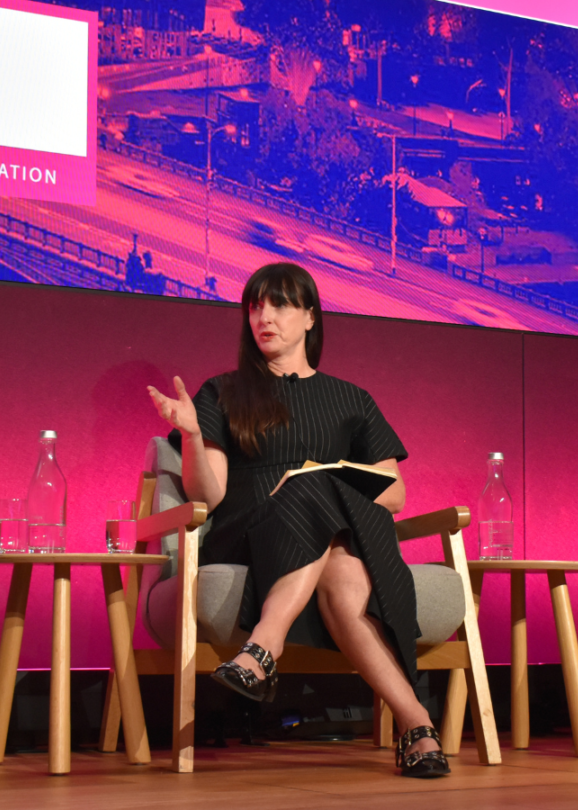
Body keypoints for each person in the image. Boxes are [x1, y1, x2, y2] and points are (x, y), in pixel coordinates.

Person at [147, 262, 450, 778]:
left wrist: (332, 481)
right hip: (252, 533)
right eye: (255, 306)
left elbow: (395, 494)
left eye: (281, 304)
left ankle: (269, 653)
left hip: (342, 536)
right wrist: (194, 437)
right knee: (316, 507)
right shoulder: (223, 391)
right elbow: (208, 492)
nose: (264, 316)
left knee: (334, 543)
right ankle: (416, 724)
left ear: (310, 316)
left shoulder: (352, 399)